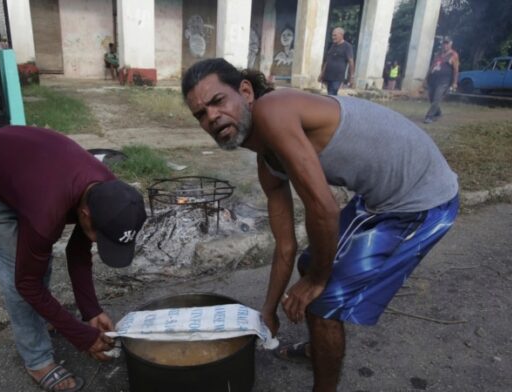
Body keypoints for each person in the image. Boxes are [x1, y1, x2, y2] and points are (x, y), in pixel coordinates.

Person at [182, 58, 459, 391]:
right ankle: (319, 351)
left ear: (245, 91)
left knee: (323, 301)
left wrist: (318, 280)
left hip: (421, 200)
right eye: (200, 114)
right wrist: (268, 311)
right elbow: (285, 246)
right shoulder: (267, 164)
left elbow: (324, 208)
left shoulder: (272, 111)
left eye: (217, 101)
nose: (211, 117)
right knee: (310, 263)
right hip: (381, 200)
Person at [0, 126, 147, 392]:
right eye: (101, 236)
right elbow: (26, 283)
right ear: (85, 213)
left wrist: (91, 311)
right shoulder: (47, 212)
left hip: (19, 171)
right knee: (21, 268)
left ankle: (40, 318)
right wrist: (81, 337)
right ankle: (36, 359)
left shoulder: (109, 194)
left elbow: (77, 251)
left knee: (36, 259)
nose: (99, 243)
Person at [424, 37, 459, 123]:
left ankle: (429, 117)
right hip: (433, 79)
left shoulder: (454, 55)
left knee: (436, 98)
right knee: (431, 97)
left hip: (444, 81)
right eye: (444, 43)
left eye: (447, 43)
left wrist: (454, 83)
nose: (445, 45)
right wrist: (426, 78)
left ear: (451, 44)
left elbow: (456, 70)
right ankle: (438, 112)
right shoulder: (438, 54)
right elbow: (432, 66)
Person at [319, 27, 355, 95]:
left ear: (341, 35)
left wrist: (351, 77)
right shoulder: (332, 45)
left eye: (335, 35)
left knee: (332, 94)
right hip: (328, 76)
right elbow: (327, 61)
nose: (333, 37)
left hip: (337, 77)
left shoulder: (347, 46)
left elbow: (351, 62)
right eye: (332, 35)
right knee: (330, 94)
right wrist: (322, 74)